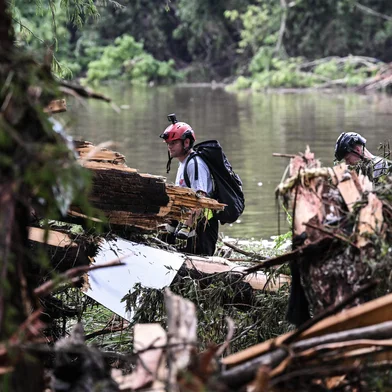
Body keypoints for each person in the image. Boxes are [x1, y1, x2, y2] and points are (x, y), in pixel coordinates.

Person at [159, 114, 218, 256]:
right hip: (190, 225)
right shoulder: (183, 163)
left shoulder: (194, 164)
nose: (169, 146)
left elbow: (200, 198)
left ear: (186, 143)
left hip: (202, 227)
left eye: (173, 143)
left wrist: (186, 227)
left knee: (200, 267)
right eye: (168, 143)